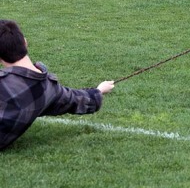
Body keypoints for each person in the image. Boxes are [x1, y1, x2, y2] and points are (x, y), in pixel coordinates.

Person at [0, 20, 115, 150]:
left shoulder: (4, 83)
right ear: (25, 43)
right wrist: (99, 91)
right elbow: (73, 99)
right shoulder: (49, 87)